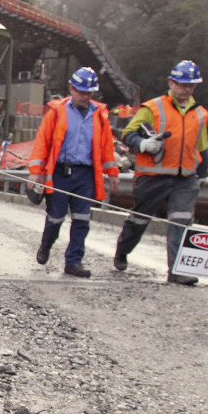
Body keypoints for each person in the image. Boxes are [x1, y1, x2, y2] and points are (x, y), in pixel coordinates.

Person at [114, 60, 208, 285]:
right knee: (139, 220)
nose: (186, 90)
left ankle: (176, 270)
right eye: (182, 85)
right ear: (171, 83)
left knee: (181, 221)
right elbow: (128, 134)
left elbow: (202, 146)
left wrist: (203, 173)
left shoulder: (201, 114)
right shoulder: (153, 108)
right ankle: (123, 250)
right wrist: (144, 144)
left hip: (184, 179)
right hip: (153, 177)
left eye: (191, 86)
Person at [28, 67, 120, 278]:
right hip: (60, 172)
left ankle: (74, 261)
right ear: (72, 89)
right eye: (81, 92)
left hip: (85, 174)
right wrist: (36, 172)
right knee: (56, 217)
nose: (85, 96)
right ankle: (46, 245)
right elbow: (43, 142)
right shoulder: (57, 112)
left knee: (81, 219)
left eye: (89, 93)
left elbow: (106, 146)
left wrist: (113, 172)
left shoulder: (99, 115)